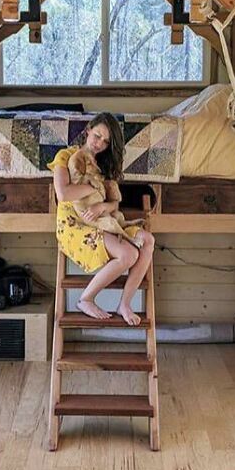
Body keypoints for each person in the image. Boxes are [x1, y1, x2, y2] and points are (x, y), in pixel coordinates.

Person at [48, 112, 155, 325]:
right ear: (88, 130)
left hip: (101, 217)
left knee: (148, 240)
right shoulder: (67, 156)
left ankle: (124, 304)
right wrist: (92, 188)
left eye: (106, 141)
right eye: (97, 136)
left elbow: (114, 202)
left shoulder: (102, 166)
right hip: (74, 224)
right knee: (128, 254)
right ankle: (86, 299)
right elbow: (64, 194)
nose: (100, 144)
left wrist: (101, 205)